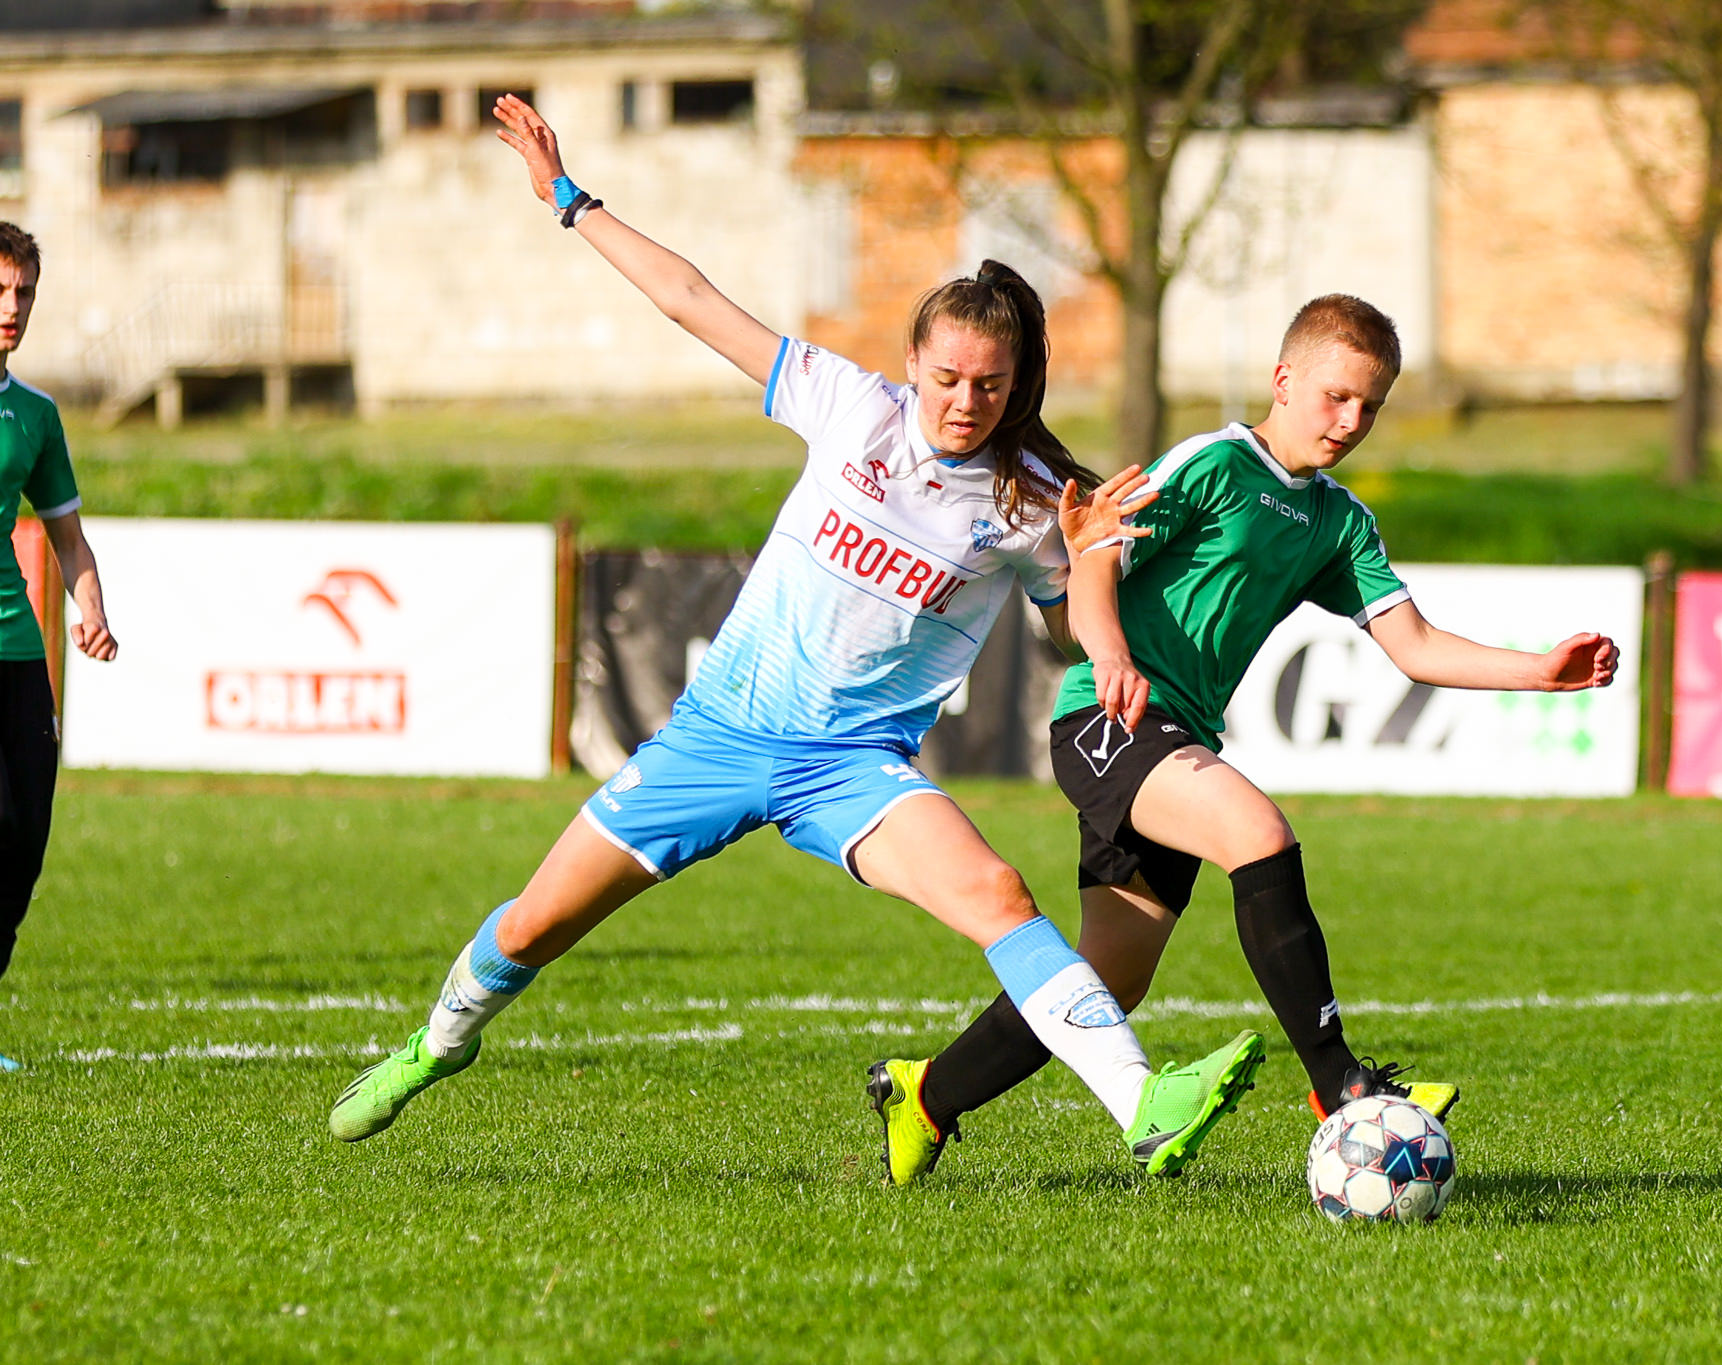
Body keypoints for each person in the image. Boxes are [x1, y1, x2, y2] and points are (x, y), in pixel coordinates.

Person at [327, 95, 1266, 1180]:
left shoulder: (1029, 499)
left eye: (991, 385)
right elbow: (690, 300)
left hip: (851, 769)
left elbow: (1076, 627)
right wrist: (569, 201)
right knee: (534, 926)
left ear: (1019, 386)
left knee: (1000, 896)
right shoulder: (844, 403)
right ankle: (434, 1045)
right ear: (913, 360)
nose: (965, 401)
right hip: (715, 741)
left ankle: (1143, 1107)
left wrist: (1098, 580)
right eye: (948, 377)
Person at [868, 295, 1619, 1180]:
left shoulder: (1339, 522)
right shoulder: (1217, 464)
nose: (1350, 421)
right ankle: (1342, 1085)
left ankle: (926, 1095)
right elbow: (1097, 550)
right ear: (1283, 379)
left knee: (1106, 982)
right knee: (1259, 833)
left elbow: (1412, 647)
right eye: (1336, 396)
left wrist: (1540, 671)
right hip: (1108, 721)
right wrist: (1109, 653)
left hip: (1178, 735)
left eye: (1370, 406)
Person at [0, 223, 119, 1074]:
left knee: (23, 842)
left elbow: (68, 539)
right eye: (0, 292)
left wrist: (91, 610)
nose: (12, 310)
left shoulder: (35, 416)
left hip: (15, 651)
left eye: (25, 294)